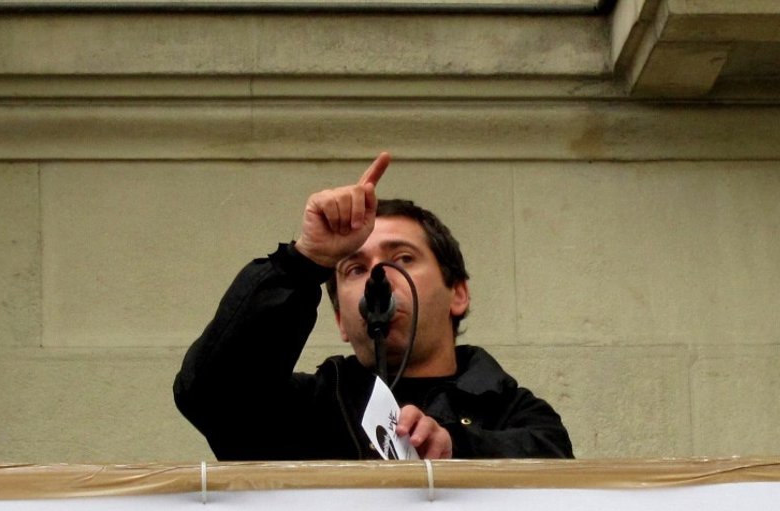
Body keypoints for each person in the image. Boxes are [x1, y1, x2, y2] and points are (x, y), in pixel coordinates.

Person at [173, 152, 573, 461]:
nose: (378, 275)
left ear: (458, 294)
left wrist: (456, 447)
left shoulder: (513, 412)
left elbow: (554, 469)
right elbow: (209, 395)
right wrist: (304, 260)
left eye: (403, 258)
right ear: (340, 320)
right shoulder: (309, 408)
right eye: (355, 268)